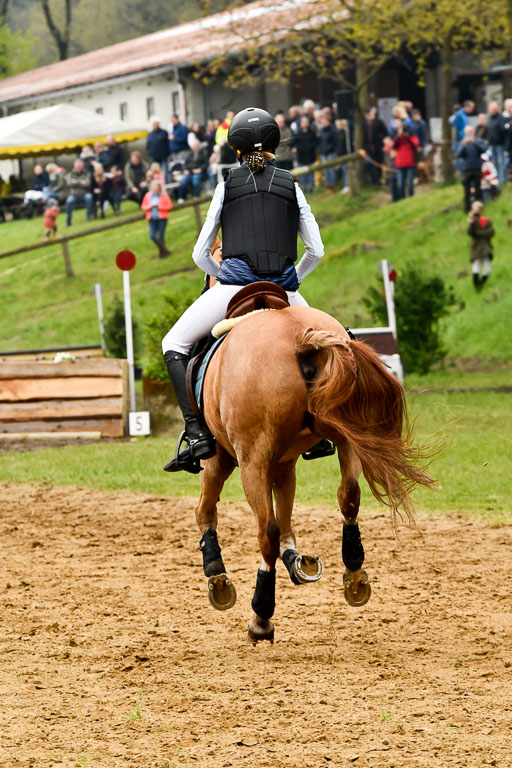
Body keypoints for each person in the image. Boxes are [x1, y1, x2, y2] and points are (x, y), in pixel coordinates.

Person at [160, 107, 325, 473]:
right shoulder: (292, 186)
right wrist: (292, 278)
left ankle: (196, 433)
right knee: (336, 341)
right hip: (285, 292)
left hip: (232, 287)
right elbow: (316, 250)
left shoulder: (226, 186)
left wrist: (224, 274)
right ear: (274, 146)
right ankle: (322, 425)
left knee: (173, 344)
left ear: (235, 149)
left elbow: (199, 253)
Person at [455, 125, 487, 212]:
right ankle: (467, 208)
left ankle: (479, 208)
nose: (469, 133)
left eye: (470, 131)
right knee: (467, 191)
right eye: (467, 131)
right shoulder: (462, 142)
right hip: (466, 169)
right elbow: (458, 154)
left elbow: (484, 149)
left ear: (473, 132)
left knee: (478, 189)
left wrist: (475, 143)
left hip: (477, 168)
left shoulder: (478, 141)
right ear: (465, 133)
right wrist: (463, 145)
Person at [141, 179, 173, 259]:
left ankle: (162, 254)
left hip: (162, 218)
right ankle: (165, 250)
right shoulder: (147, 195)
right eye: (154, 187)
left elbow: (169, 206)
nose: (155, 188)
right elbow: (143, 206)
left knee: (161, 236)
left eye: (157, 187)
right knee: (152, 235)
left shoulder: (164, 195)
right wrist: (150, 207)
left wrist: (159, 207)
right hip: (152, 218)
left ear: (159, 187)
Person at [467, 201, 494, 289]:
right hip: (476, 247)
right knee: (476, 265)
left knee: (487, 268)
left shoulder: (486, 220)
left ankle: (482, 283)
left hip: (486, 247)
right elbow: (470, 232)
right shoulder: (472, 222)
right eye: (475, 209)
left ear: (481, 210)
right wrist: (471, 222)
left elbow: (491, 232)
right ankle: (477, 284)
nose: (476, 211)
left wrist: (479, 233)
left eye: (478, 209)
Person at [392, 122, 419, 199]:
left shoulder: (412, 137)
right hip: (400, 164)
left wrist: (407, 137)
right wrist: (398, 136)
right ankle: (402, 198)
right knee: (400, 184)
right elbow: (393, 146)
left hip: (410, 163)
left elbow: (415, 145)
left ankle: (411, 198)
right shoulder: (398, 138)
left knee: (409, 183)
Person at [293, 116, 318, 193]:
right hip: (301, 156)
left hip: (310, 156)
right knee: (302, 174)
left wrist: (310, 148)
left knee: (311, 173)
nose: (304, 124)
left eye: (306, 122)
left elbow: (315, 142)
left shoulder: (312, 132)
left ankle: (311, 188)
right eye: (303, 122)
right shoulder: (298, 133)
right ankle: (304, 188)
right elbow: (295, 143)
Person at [362, 108, 388, 184]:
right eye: (367, 114)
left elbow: (385, 133)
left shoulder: (379, 123)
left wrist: (384, 142)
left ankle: (379, 179)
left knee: (379, 164)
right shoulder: (364, 124)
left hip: (378, 147)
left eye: (369, 114)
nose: (368, 115)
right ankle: (375, 180)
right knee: (368, 163)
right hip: (369, 148)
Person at [65, 159, 93, 225]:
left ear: (82, 166)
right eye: (77, 165)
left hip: (84, 194)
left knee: (89, 197)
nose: (78, 167)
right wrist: (81, 181)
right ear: (74, 166)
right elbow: (69, 183)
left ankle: (88, 216)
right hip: (74, 195)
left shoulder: (86, 173)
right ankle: (68, 220)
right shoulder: (70, 174)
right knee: (69, 201)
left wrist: (75, 181)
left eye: (80, 165)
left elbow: (87, 184)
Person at [486, 102, 507, 186]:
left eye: (494, 108)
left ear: (497, 109)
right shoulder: (489, 119)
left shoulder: (501, 118)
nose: (492, 110)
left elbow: (504, 132)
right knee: (494, 164)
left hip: (500, 145)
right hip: (491, 145)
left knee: (501, 163)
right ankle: (497, 179)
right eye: (491, 108)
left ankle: (502, 180)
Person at [317, 114, 338, 190]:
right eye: (322, 122)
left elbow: (335, 141)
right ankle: (327, 185)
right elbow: (320, 141)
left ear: (328, 122)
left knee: (331, 169)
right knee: (325, 170)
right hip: (323, 153)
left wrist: (331, 149)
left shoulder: (333, 130)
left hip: (331, 153)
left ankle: (331, 185)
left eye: (324, 122)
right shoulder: (322, 130)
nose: (323, 123)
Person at [146, 117, 169, 183]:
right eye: (154, 123)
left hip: (163, 156)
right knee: (154, 173)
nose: (155, 125)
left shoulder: (163, 132)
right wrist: (150, 152)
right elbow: (148, 145)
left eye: (156, 123)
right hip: (154, 157)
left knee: (164, 172)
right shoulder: (150, 134)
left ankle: (165, 185)